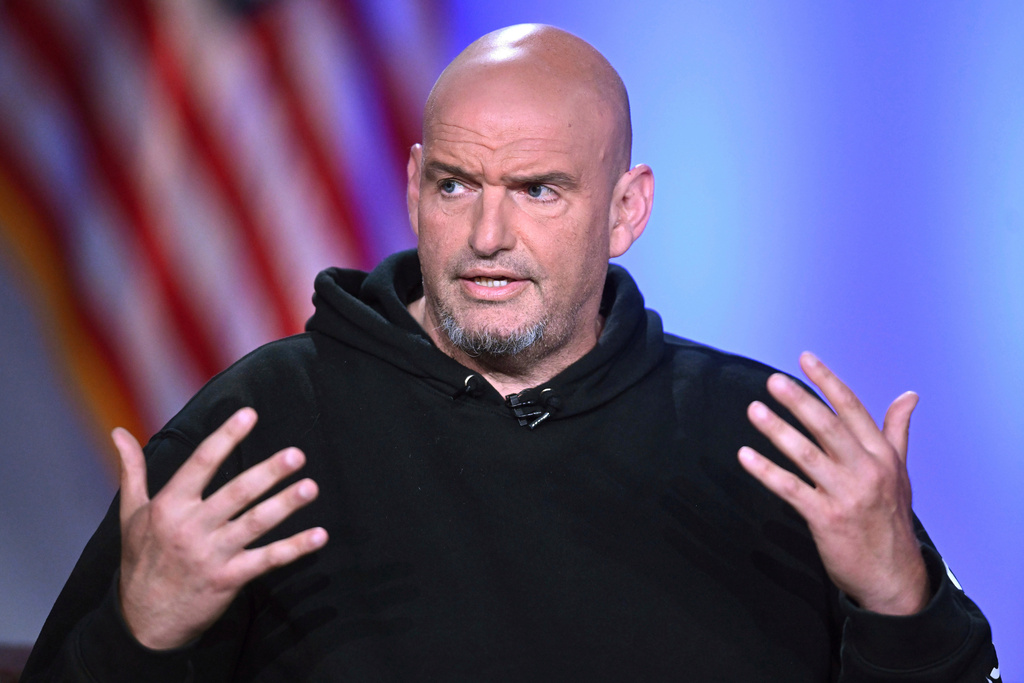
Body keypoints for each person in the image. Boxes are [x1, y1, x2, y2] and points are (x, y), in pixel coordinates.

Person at [22, 24, 999, 681]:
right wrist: (139, 631)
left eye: (537, 190)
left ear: (626, 209)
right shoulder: (262, 423)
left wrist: (895, 596)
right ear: (412, 188)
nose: (487, 234)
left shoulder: (767, 442)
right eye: (455, 186)